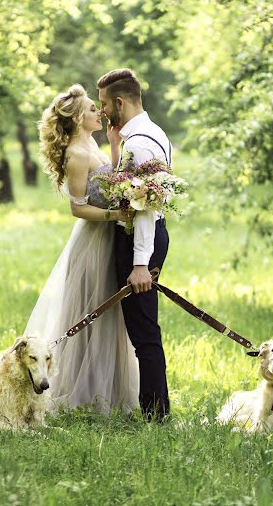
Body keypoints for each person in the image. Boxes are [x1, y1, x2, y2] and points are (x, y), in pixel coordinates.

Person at [25, 84, 139, 414]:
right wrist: (116, 215)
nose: (99, 112)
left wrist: (115, 145)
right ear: (77, 118)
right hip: (92, 242)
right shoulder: (76, 154)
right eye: (92, 108)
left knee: (111, 314)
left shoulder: (93, 142)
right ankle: (81, 396)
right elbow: (78, 207)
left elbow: (113, 178)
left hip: (109, 238)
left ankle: (111, 393)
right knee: (90, 313)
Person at [98, 68, 172, 422]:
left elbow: (145, 207)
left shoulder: (140, 143)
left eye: (103, 105)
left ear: (119, 102)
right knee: (144, 329)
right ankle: (153, 410)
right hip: (150, 236)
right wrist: (114, 146)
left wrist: (140, 264)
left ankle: (157, 416)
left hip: (141, 241)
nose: (101, 113)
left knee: (145, 334)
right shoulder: (151, 132)